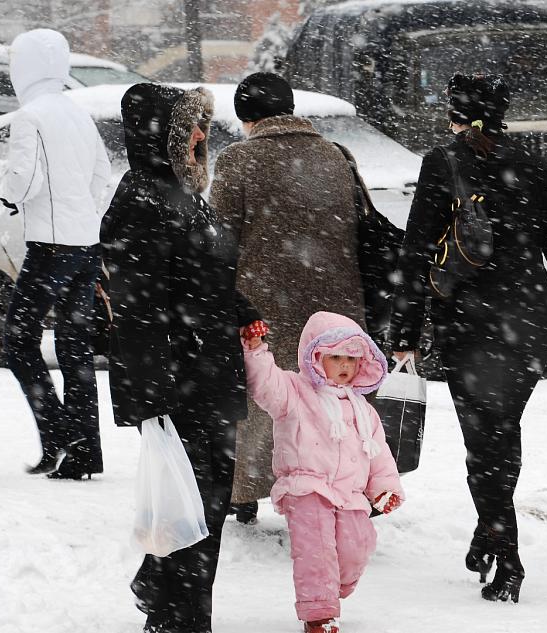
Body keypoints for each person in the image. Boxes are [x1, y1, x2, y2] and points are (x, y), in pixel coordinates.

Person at [388, 73, 547, 603]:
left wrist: (404, 334)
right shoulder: (535, 163)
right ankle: (490, 528)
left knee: (481, 442)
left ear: (454, 112)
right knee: (503, 432)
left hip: (468, 322)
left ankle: (505, 553)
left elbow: (416, 252)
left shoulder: (442, 162)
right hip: (527, 321)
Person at [101, 82, 260, 633]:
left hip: (208, 371)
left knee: (200, 509)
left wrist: (240, 309)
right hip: (180, 383)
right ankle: (183, 617)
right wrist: (155, 399)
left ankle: (163, 592)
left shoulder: (181, 192)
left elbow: (198, 276)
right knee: (197, 510)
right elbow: (138, 308)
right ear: (159, 135)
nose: (200, 135)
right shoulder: (141, 199)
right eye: (190, 124)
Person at [211, 72, 368, 525]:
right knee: (329, 399)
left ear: (246, 116)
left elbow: (220, 240)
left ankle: (246, 490)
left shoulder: (237, 161)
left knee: (265, 401)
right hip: (337, 307)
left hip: (266, 306)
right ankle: (341, 487)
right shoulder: (337, 155)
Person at [242, 312, 403, 633]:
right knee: (315, 552)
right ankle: (319, 614)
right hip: (306, 487)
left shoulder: (363, 408)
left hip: (351, 494)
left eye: (352, 359)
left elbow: (378, 452)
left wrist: (386, 488)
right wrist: (256, 348)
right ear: (315, 358)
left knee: (357, 547)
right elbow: (265, 384)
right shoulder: (294, 391)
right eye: (336, 357)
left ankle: (330, 588)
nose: (345, 365)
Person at [0, 29, 111, 479]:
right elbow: (103, 175)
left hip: (51, 244)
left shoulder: (31, 116)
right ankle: (84, 450)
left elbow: (25, 181)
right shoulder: (78, 114)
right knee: (74, 345)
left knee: (19, 339)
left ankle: (62, 433)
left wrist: (8, 196)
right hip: (85, 243)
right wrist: (85, 214)